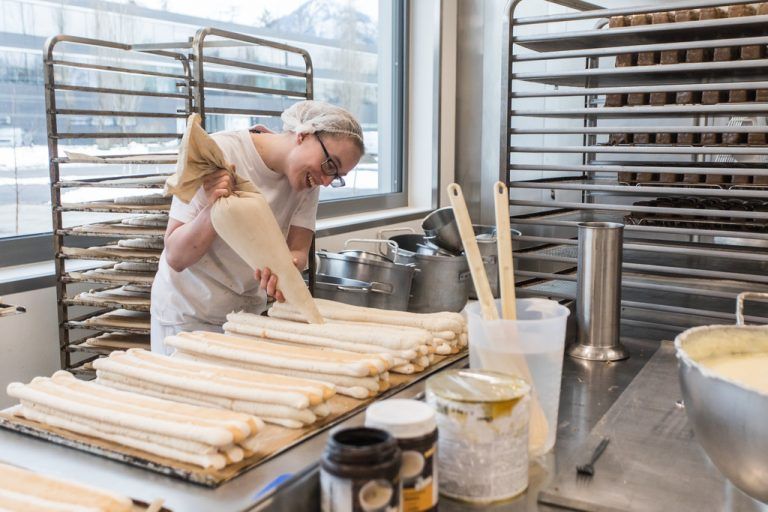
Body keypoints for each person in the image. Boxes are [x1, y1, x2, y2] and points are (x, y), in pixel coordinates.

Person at [150, 100, 365, 354]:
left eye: (337, 177)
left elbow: (298, 251)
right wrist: (215, 209)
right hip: (187, 313)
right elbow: (176, 255)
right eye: (330, 165)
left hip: (245, 316)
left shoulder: (309, 182)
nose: (328, 181)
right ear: (304, 135)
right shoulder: (221, 152)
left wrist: (284, 268)